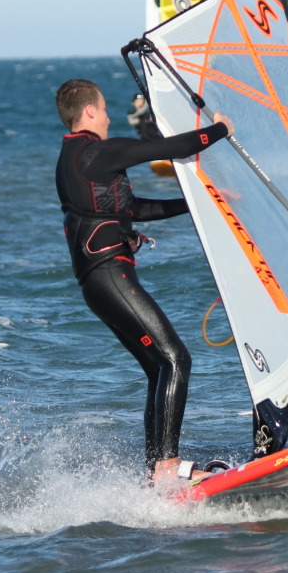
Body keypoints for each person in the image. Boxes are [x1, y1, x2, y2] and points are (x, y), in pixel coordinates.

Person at [53, 78, 233, 485]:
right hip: (109, 277)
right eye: (104, 109)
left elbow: (133, 209)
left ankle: (156, 471)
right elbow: (172, 148)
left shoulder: (73, 159)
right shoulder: (95, 151)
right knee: (176, 359)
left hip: (99, 284)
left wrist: (199, 203)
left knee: (158, 367)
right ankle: (167, 467)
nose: (109, 117)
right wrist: (220, 129)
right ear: (90, 111)